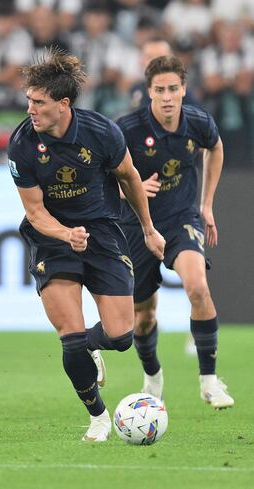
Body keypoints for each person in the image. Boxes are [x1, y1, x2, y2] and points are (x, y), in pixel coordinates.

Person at [7, 49, 165, 442]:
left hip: (102, 230)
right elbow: (35, 210)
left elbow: (129, 177)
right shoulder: (22, 144)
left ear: (63, 104)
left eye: (38, 102)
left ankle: (93, 348)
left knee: (121, 336)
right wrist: (64, 234)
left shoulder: (102, 133)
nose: (30, 109)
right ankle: (97, 417)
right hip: (51, 238)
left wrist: (147, 228)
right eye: (29, 100)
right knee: (70, 336)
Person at [116, 55, 233, 409]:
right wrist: (130, 189)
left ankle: (209, 381)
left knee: (197, 287)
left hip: (182, 216)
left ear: (184, 89)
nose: (167, 96)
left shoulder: (197, 122)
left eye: (173, 89)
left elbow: (215, 147)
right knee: (143, 315)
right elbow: (103, 174)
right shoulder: (128, 128)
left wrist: (207, 204)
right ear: (148, 92)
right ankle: (153, 377)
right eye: (159, 90)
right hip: (138, 224)